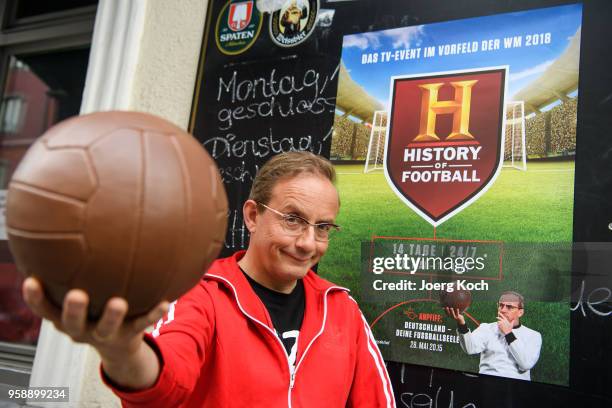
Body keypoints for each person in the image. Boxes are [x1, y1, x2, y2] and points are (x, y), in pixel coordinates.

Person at [22, 151, 395, 407]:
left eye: (323, 227)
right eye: (293, 219)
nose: (308, 243)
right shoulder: (201, 294)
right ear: (252, 216)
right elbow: (165, 384)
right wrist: (122, 351)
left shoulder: (342, 310)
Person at [445, 291, 542, 381]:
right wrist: (461, 324)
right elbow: (470, 349)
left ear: (520, 312)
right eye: (501, 305)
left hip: (514, 388)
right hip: (486, 383)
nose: (503, 310)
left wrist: (508, 333)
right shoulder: (486, 328)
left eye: (509, 307)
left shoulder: (533, 336)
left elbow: (525, 364)